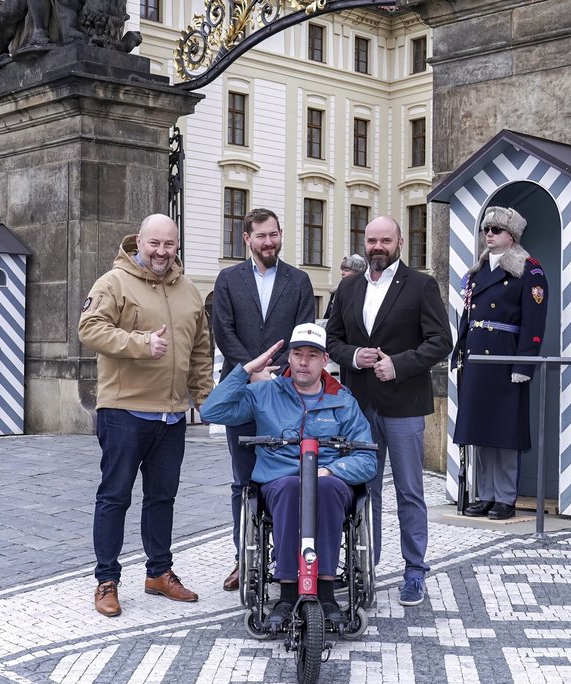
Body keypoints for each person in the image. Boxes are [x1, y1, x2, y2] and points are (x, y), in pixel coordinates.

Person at [78, 213, 214, 617]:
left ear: (177, 246)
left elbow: (201, 351)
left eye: (169, 244)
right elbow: (89, 328)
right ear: (138, 241)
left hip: (172, 416)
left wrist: (204, 398)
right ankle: (107, 581)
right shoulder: (113, 283)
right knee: (115, 497)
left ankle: (159, 573)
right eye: (154, 244)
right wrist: (140, 343)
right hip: (125, 412)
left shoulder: (188, 290)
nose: (161, 252)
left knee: (162, 498)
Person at [200, 323, 376, 627]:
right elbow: (211, 412)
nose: (304, 361)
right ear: (289, 358)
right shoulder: (264, 393)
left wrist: (331, 469)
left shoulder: (343, 400)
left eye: (312, 355)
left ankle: (326, 592)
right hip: (280, 481)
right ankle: (287, 591)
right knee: (292, 487)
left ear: (324, 360)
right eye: (297, 354)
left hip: (328, 481)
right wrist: (245, 371)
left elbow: (367, 460)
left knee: (330, 488)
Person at [325, 215, 453, 606]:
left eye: (385, 240)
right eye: (371, 240)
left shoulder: (421, 286)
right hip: (359, 409)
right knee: (365, 491)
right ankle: (367, 568)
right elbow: (331, 339)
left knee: (410, 491)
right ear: (364, 242)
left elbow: (441, 341)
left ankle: (415, 571)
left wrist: (398, 364)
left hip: (403, 406)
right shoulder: (348, 288)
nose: (377, 246)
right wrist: (355, 357)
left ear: (400, 243)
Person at [212, 207, 315, 592]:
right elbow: (223, 331)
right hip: (241, 392)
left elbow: (303, 332)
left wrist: (276, 371)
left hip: (286, 392)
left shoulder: (300, 280)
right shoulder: (227, 280)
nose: (268, 242)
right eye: (261, 236)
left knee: (285, 476)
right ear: (247, 239)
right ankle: (246, 558)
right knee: (243, 480)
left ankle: (285, 554)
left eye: (273, 234)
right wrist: (251, 369)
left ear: (280, 233)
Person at [452, 206, 548, 520]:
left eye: (496, 230)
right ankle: (485, 495)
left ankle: (505, 497)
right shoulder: (476, 272)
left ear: (512, 236)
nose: (489, 235)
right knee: (480, 430)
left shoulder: (529, 269)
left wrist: (524, 365)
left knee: (505, 432)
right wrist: (460, 353)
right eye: (487, 230)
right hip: (478, 358)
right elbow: (467, 317)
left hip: (506, 358)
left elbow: (534, 323)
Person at [323, 254, 368, 319]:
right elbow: (328, 317)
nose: (342, 273)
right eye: (342, 270)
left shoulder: (366, 292)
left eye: (347, 270)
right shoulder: (336, 293)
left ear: (358, 272)